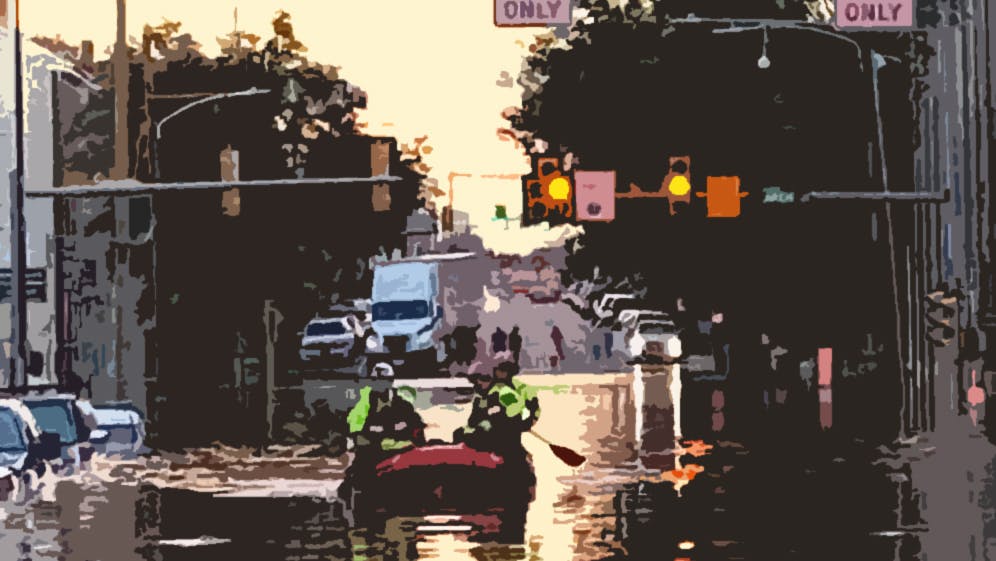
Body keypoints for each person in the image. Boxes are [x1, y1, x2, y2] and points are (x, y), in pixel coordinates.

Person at [341, 384, 426, 501]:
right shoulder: (364, 407)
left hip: (402, 458)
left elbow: (418, 435)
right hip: (373, 458)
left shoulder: (404, 407)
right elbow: (358, 437)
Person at [454, 361, 539, 462]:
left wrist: (502, 411)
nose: (479, 382)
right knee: (460, 434)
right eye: (475, 379)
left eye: (484, 379)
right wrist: (487, 413)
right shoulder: (479, 397)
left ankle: (519, 454)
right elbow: (472, 421)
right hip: (487, 432)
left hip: (506, 432)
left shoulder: (503, 392)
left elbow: (517, 411)